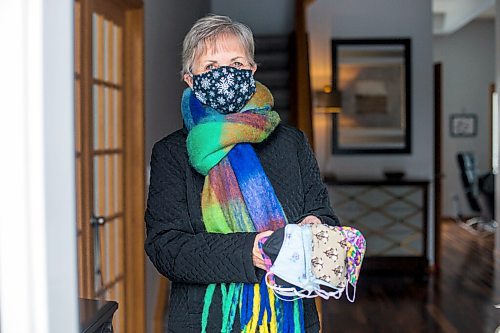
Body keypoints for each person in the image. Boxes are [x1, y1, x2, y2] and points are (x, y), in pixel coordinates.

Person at [144, 14, 340, 333]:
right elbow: (166, 248)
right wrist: (249, 251)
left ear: (251, 71)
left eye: (236, 63)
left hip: (293, 318)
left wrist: (314, 226)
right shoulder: (171, 153)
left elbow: (324, 215)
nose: (226, 74)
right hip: (208, 321)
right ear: (190, 79)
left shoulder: (291, 143)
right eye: (210, 66)